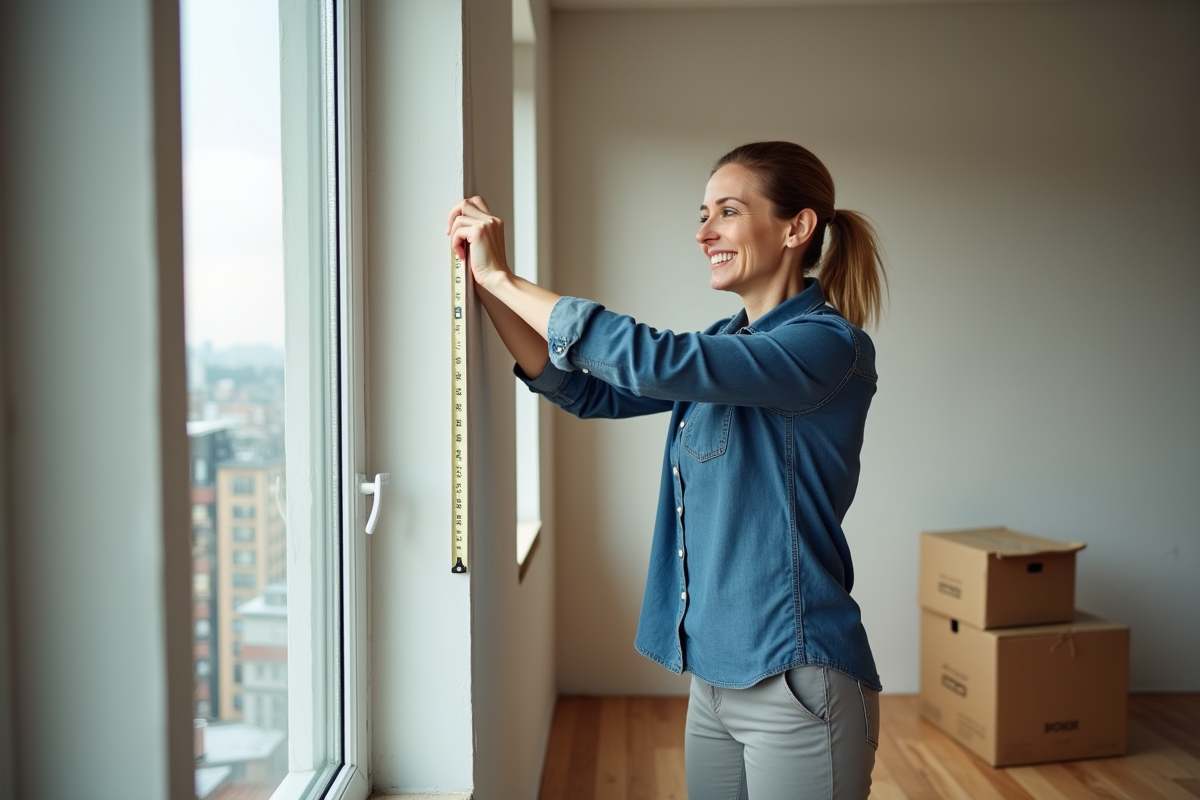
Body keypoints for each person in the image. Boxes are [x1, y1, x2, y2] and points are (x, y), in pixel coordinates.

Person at [447, 141, 887, 800]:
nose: (704, 232)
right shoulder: (725, 344)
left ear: (797, 228)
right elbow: (587, 391)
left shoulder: (827, 346)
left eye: (728, 211)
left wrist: (506, 278)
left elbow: (651, 362)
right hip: (712, 684)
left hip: (797, 681)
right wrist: (488, 291)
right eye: (703, 212)